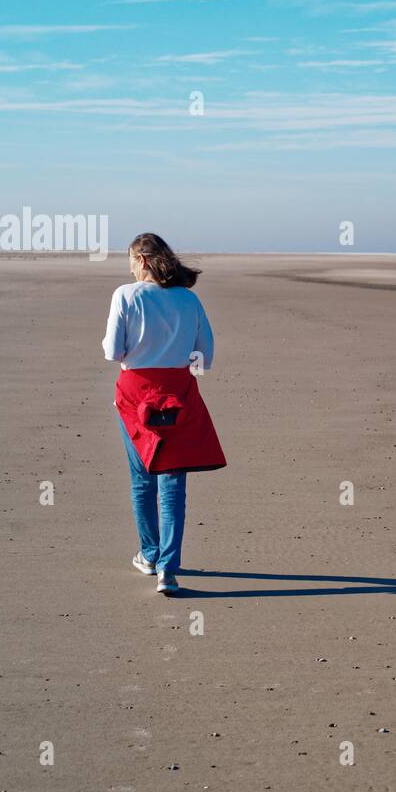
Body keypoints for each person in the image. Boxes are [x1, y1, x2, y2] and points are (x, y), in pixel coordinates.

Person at [102, 234, 226, 595]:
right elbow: (207, 354)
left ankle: (150, 554)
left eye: (130, 261)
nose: (128, 268)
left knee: (143, 480)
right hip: (178, 395)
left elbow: (113, 351)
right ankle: (167, 570)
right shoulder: (188, 299)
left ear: (142, 260)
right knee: (173, 484)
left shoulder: (126, 295)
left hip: (135, 395)